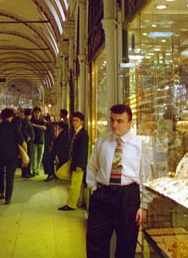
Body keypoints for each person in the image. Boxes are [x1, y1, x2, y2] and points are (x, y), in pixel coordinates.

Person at [86, 104, 152, 258]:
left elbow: (145, 175)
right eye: (112, 120)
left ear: (130, 122)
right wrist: (95, 189)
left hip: (128, 196)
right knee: (96, 241)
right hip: (103, 194)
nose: (115, 125)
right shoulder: (102, 142)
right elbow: (92, 166)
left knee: (126, 243)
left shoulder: (139, 145)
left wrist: (143, 205)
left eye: (120, 121)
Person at [0, 108, 25, 204]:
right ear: (11, 117)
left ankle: (1, 191)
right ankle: (8, 198)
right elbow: (22, 142)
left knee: (0, 174)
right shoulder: (14, 127)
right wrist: (24, 154)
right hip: (12, 156)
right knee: (10, 177)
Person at [58, 111, 88, 211]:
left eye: (77, 121)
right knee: (60, 173)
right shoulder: (75, 133)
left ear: (82, 122)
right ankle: (75, 200)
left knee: (74, 186)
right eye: (73, 120)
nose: (74, 122)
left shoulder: (83, 134)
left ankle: (71, 204)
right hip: (73, 161)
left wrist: (80, 165)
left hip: (78, 164)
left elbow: (83, 151)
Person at [29, 107, 46, 177]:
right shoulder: (31, 120)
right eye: (35, 113)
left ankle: (38, 169)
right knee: (34, 157)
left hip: (41, 141)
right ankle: (34, 170)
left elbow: (44, 128)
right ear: (33, 113)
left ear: (40, 113)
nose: (37, 114)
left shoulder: (42, 121)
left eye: (38, 113)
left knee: (40, 157)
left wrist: (35, 126)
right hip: (34, 141)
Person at [20, 109, 35, 178]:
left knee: (28, 156)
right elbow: (23, 130)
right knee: (27, 156)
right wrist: (28, 136)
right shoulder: (26, 121)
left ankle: (28, 172)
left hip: (29, 142)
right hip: (28, 142)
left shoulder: (26, 121)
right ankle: (26, 172)